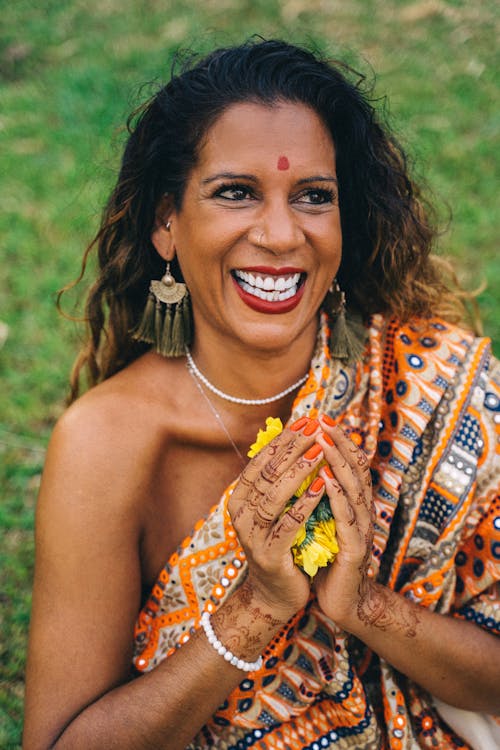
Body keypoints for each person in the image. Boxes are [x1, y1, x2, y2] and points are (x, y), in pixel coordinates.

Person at [23, 39, 500, 750]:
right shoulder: (108, 446)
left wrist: (363, 604)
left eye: (313, 196)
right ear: (166, 224)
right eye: (236, 192)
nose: (281, 235)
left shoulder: (431, 386)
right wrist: (256, 608)